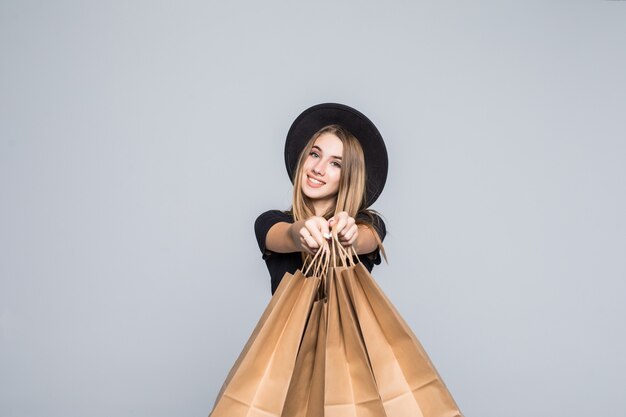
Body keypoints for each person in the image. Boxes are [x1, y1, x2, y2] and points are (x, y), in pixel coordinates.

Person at [254, 103, 389, 294]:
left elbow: (365, 238)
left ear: (349, 177)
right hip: (290, 326)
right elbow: (288, 234)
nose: (318, 168)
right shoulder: (270, 222)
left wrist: (348, 236)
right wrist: (302, 232)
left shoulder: (369, 224)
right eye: (315, 154)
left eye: (335, 163)